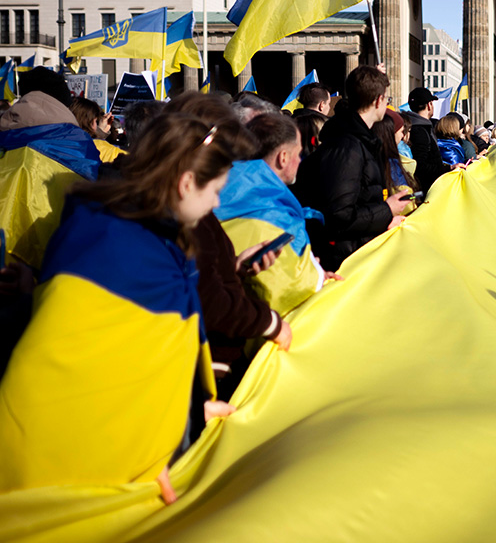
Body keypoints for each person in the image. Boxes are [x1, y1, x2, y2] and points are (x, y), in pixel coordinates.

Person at [0, 114, 242, 503]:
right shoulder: (141, 251)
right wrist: (154, 447)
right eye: (215, 190)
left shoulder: (109, 220)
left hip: (46, 446)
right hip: (71, 470)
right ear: (185, 184)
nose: (217, 202)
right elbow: (112, 380)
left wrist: (190, 415)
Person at [165, 92, 291, 395]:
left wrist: (234, 267)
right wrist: (270, 323)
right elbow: (206, 300)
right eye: (216, 187)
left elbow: (200, 277)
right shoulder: (175, 222)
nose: (219, 200)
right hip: (198, 373)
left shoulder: (186, 215)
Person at [217, 113, 334, 320]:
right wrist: (314, 273)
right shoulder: (276, 212)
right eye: (298, 153)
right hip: (264, 332)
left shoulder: (214, 190)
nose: (300, 159)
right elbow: (285, 289)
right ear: (283, 158)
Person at [295, 66, 413, 271]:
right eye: (386, 99)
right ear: (378, 100)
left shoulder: (357, 140)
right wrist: (387, 210)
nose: (387, 104)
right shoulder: (348, 147)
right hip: (345, 262)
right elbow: (339, 216)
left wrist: (384, 219)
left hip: (354, 253)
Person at [402, 87, 451, 192]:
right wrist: (448, 169)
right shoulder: (420, 131)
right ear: (429, 105)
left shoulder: (414, 126)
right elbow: (420, 165)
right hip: (427, 191)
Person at [70, 96, 124, 163]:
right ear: (89, 123)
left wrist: (100, 133)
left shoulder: (59, 143)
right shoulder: (112, 152)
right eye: (96, 121)